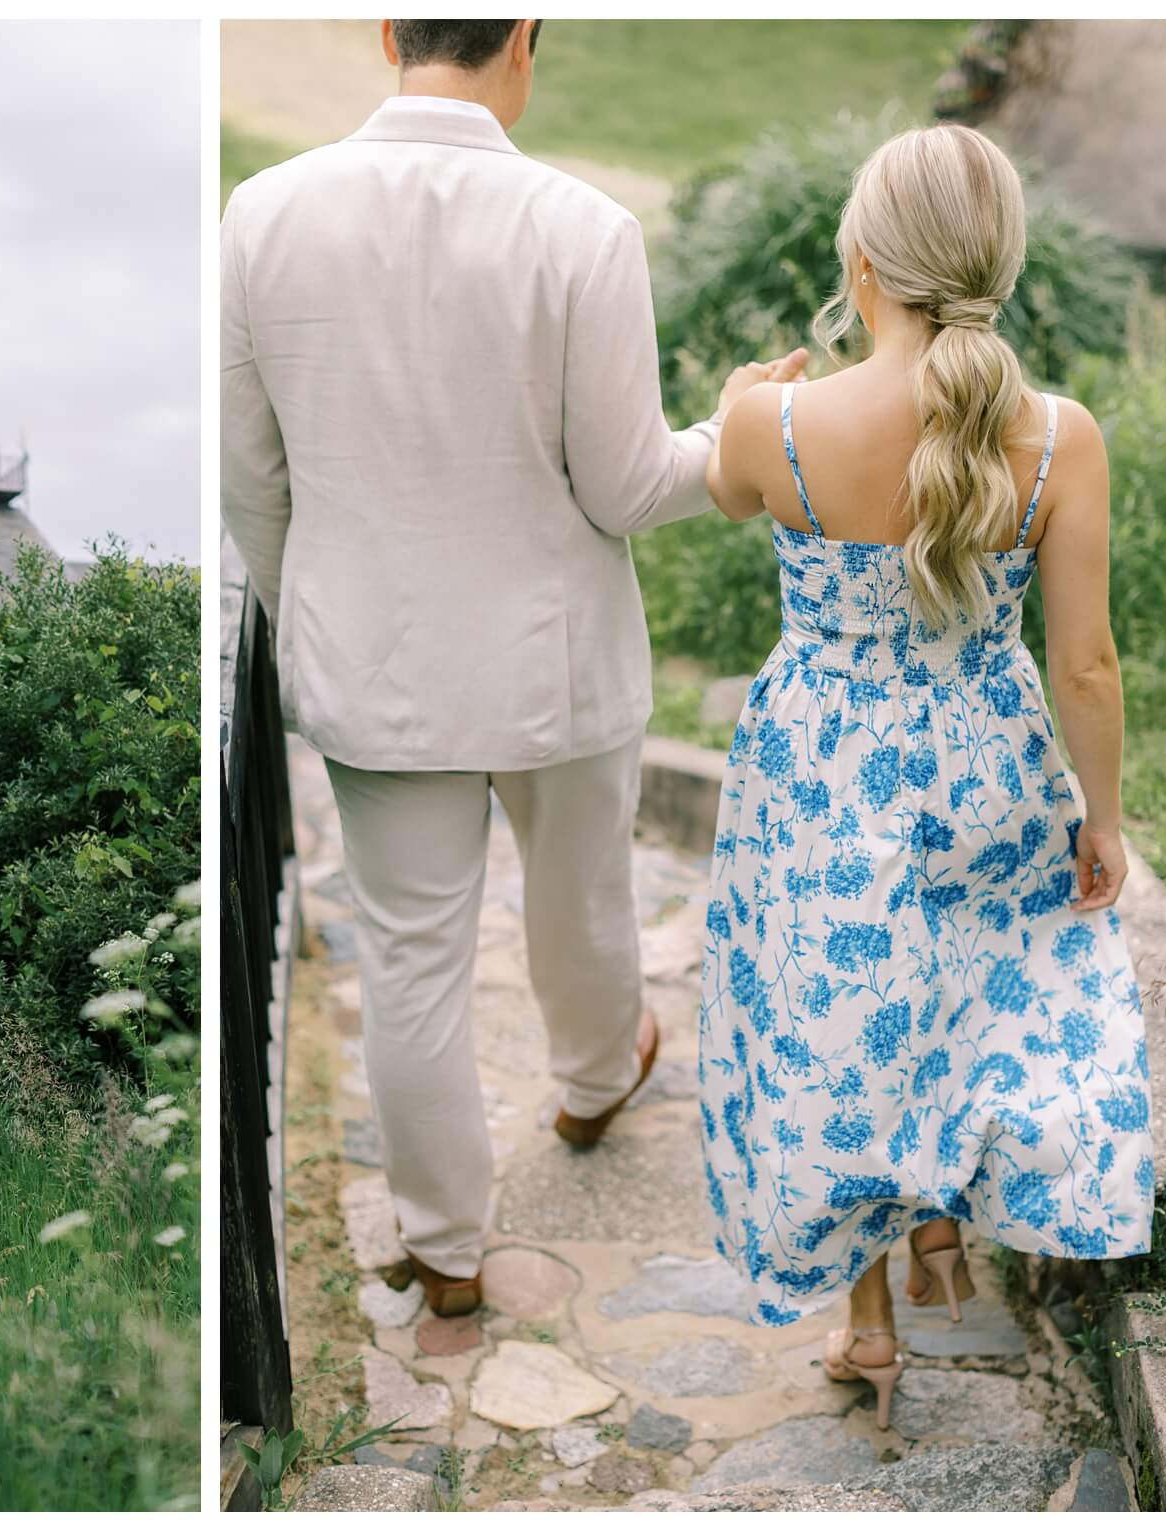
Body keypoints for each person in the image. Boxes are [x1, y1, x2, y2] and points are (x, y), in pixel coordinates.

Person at [220, 17, 804, 1315]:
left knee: (411, 964)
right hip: (556, 656)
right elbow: (628, 480)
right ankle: (597, 1084)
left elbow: (252, 479)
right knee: (581, 895)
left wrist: (311, 604)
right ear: (523, 38)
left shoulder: (261, 214)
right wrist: (740, 428)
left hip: (376, 667)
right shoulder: (581, 227)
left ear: (386, 32)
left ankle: (445, 1246)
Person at [695, 123, 1153, 1427]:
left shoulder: (773, 422)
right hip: (990, 766)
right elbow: (1090, 664)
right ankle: (939, 1222)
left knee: (844, 1026)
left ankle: (873, 1314)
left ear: (859, 259)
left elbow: (726, 488)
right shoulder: (1061, 440)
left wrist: (743, 394)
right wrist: (1102, 816)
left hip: (821, 772)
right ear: (1003, 264)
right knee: (969, 1002)